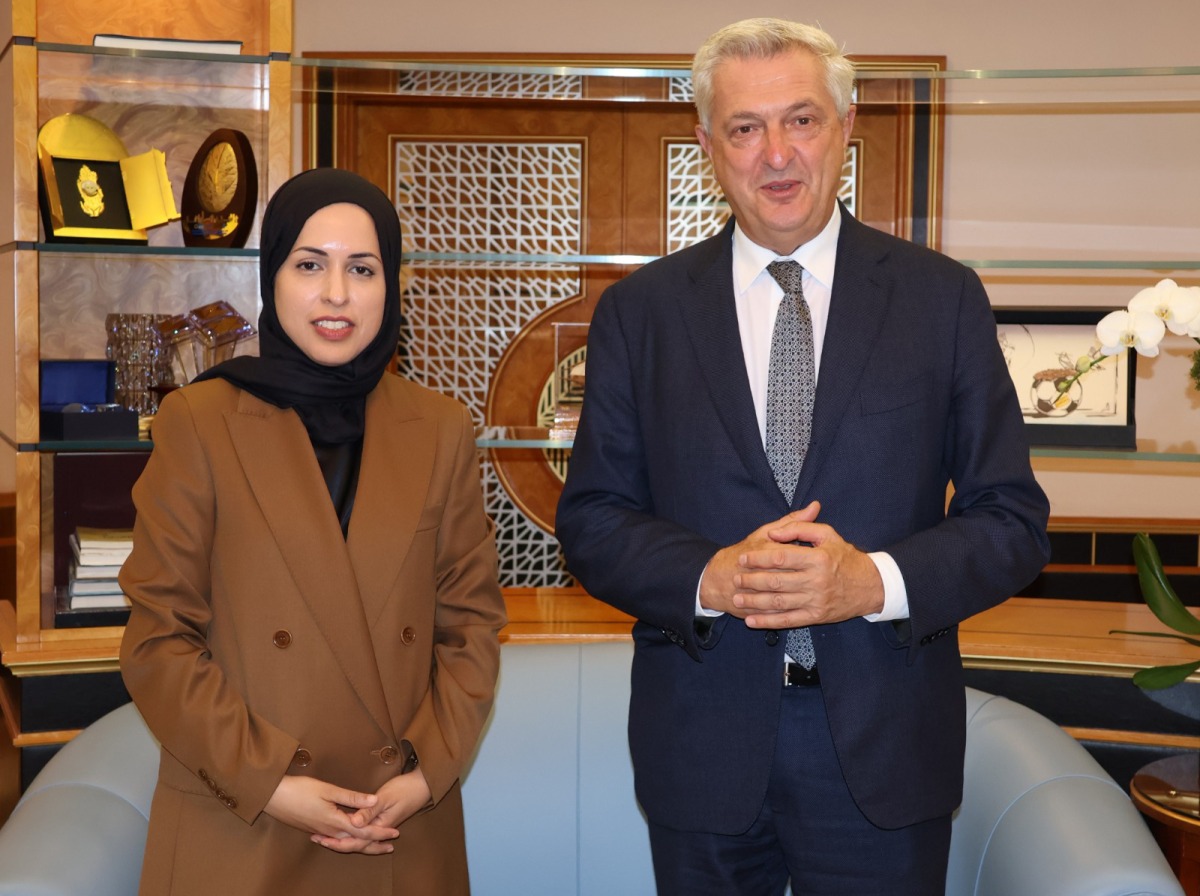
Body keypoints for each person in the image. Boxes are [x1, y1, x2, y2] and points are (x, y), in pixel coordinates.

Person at [555, 18, 1050, 896]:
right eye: (746, 128)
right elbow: (592, 521)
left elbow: (1011, 520)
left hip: (886, 751)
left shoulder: (942, 300)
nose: (776, 154)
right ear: (709, 145)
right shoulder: (642, 313)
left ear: (846, 125)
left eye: (802, 120)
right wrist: (709, 575)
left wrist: (875, 582)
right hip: (701, 750)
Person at [119, 167, 506, 896]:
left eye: (361, 268)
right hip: (244, 821)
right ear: (273, 278)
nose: (336, 294)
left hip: (400, 824)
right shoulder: (199, 424)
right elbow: (157, 642)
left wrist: (426, 770)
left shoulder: (442, 429)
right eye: (309, 265)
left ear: (390, 284)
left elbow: (473, 625)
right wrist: (271, 781)